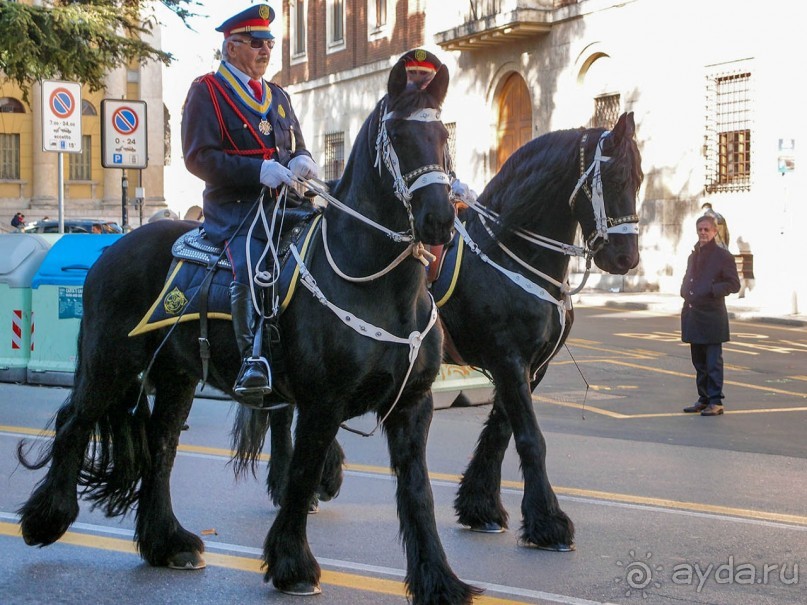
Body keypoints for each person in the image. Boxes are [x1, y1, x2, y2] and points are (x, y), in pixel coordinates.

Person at [181, 3, 319, 403]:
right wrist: (257, 171)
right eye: (256, 43)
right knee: (251, 264)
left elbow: (293, 142)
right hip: (235, 209)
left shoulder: (276, 95)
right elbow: (198, 157)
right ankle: (253, 358)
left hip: (282, 204)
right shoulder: (206, 90)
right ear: (231, 48)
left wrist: (300, 158)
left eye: (270, 43)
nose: (265, 50)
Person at [399, 48, 477, 206]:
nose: (420, 90)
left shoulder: (436, 129)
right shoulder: (395, 127)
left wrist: (460, 193)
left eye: (426, 82)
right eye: (414, 81)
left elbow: (445, 174)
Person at [681, 215, 741, 416]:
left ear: (715, 231)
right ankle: (704, 398)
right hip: (693, 313)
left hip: (712, 315)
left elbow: (734, 284)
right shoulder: (693, 254)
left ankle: (716, 401)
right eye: (700, 229)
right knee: (698, 361)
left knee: (713, 361)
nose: (703, 233)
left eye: (707, 230)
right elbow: (689, 276)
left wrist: (712, 289)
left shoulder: (723, 256)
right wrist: (684, 290)